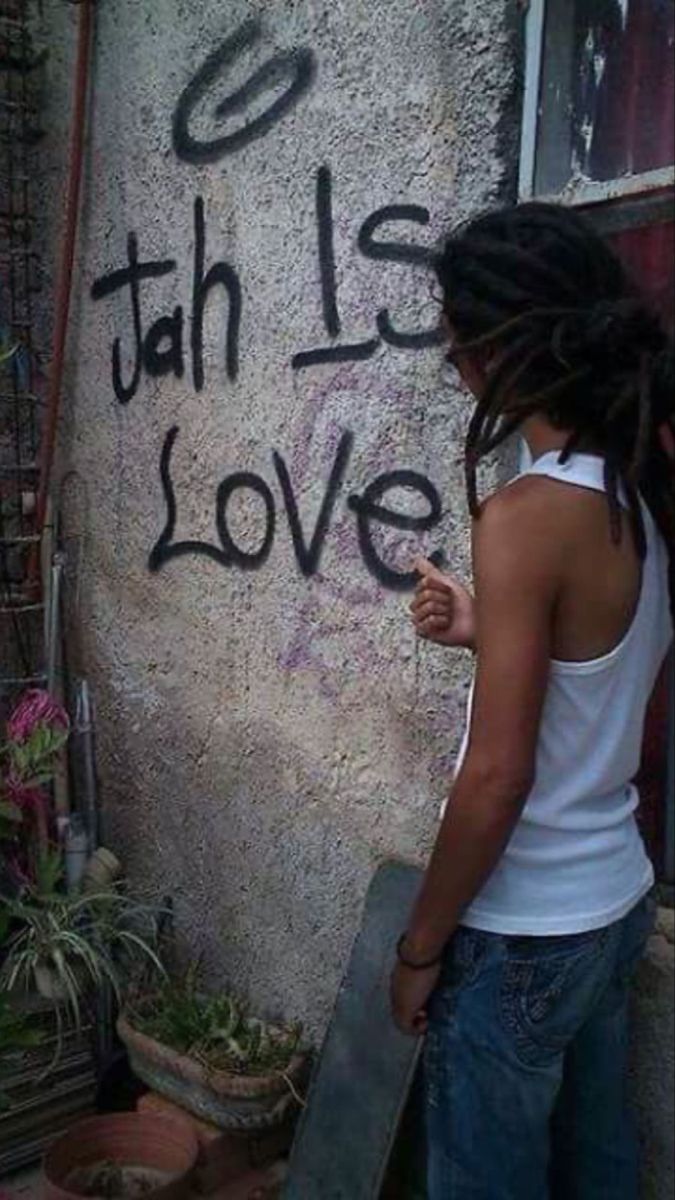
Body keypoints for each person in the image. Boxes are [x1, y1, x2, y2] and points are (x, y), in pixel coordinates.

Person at [389, 202, 674, 1199]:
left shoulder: (525, 515)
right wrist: (486, 627)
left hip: (525, 932)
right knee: (600, 1166)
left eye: (458, 341)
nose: (452, 363)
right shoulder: (643, 478)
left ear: (509, 348)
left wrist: (419, 946)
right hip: (617, 901)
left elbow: (499, 775)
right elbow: (609, 658)